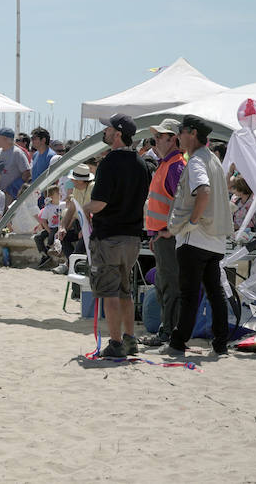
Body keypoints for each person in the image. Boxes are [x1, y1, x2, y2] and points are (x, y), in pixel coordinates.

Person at [161, 115, 235, 357]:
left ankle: (178, 342)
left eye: (181, 131)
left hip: (195, 238)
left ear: (192, 133)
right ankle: (220, 343)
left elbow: (203, 191)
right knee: (215, 292)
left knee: (190, 295)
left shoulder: (196, 161)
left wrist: (192, 221)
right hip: (215, 240)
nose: (178, 136)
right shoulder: (214, 160)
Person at [83, 113, 150, 358]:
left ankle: (115, 343)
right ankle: (130, 339)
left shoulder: (110, 162)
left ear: (118, 133)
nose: (105, 132)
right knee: (124, 291)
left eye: (109, 129)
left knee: (109, 292)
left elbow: (100, 203)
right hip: (132, 237)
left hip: (109, 236)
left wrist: (82, 209)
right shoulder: (141, 163)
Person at [142, 118, 186, 346]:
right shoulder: (167, 165)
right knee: (164, 285)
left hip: (170, 237)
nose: (155, 140)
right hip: (163, 236)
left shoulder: (175, 166)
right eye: (156, 136)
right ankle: (168, 331)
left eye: (160, 136)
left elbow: (183, 204)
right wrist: (155, 234)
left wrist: (167, 230)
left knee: (169, 286)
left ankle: (168, 332)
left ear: (173, 139)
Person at [53, 164, 96, 275]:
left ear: (80, 180)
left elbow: (96, 213)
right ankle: (73, 264)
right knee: (64, 236)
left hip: (93, 226)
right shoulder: (77, 189)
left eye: (73, 178)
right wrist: (62, 227)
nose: (71, 180)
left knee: (85, 239)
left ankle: (69, 265)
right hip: (80, 224)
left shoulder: (93, 188)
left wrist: (87, 227)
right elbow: (71, 210)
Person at [0, 127, 31, 203]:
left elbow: (27, 174)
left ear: (5, 138)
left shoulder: (17, 153)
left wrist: (12, 191)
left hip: (10, 197)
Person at [34, 186, 63, 269]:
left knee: (53, 232)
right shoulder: (48, 207)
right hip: (51, 228)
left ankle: (49, 247)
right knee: (37, 237)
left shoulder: (63, 205)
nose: (60, 194)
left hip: (60, 227)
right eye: (58, 193)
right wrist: (48, 230)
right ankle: (45, 254)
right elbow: (43, 221)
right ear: (51, 196)